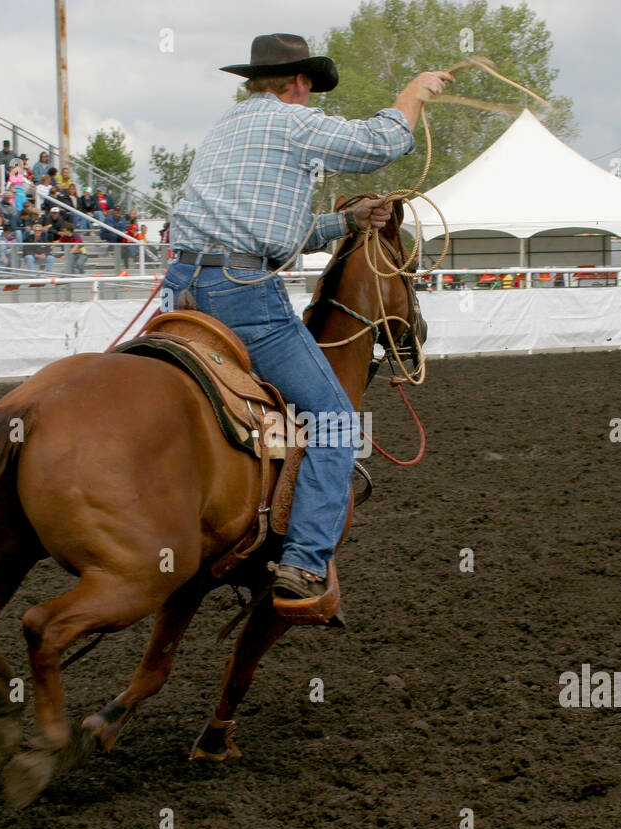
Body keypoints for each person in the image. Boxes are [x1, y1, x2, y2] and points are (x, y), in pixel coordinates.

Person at [163, 33, 451, 620]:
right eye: (311, 89)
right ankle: (304, 561)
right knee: (337, 422)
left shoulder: (228, 126)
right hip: (243, 297)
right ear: (298, 83)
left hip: (183, 290)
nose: (312, 98)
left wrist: (344, 220)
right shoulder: (292, 123)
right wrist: (414, 92)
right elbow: (381, 141)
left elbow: (273, 225)